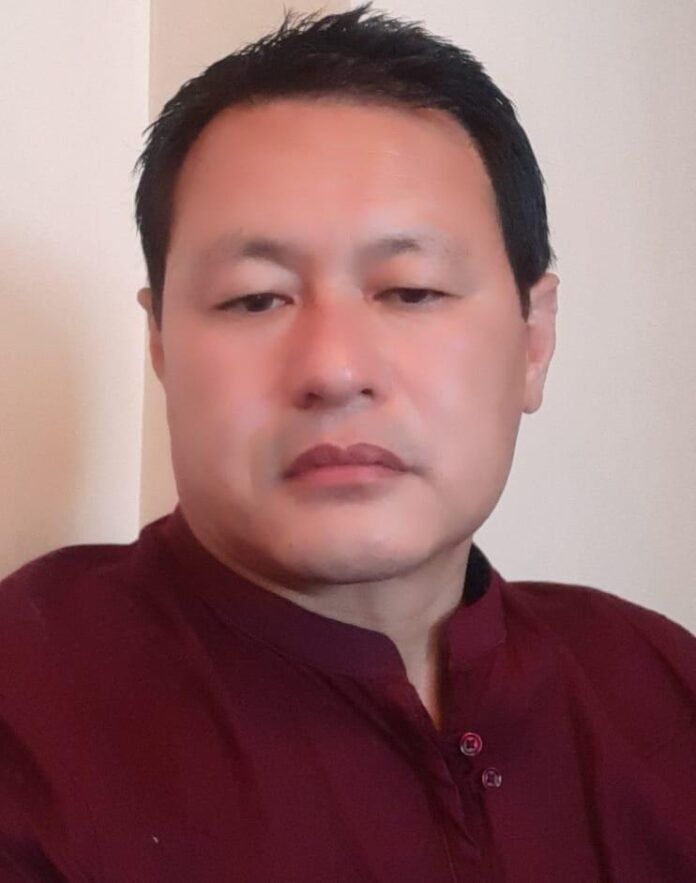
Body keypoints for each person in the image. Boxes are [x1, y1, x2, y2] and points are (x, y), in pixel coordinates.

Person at [1, 4, 694, 880]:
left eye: (411, 291)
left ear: (534, 339)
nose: (333, 369)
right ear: (162, 345)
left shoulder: (660, 686)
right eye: (255, 298)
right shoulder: (29, 716)